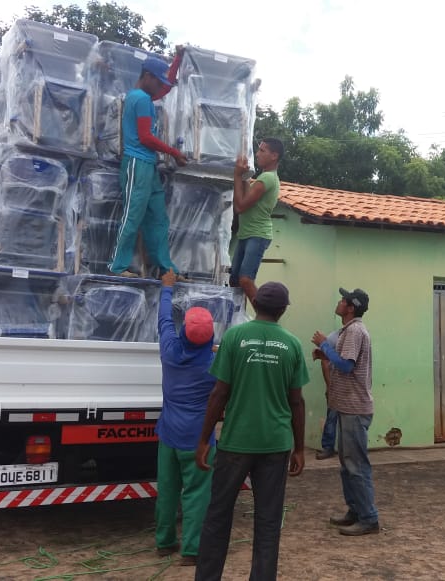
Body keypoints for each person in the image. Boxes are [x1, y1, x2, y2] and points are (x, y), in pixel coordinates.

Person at [194, 282, 308, 581]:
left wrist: (204, 439)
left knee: (218, 515)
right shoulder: (293, 345)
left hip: (236, 443)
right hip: (275, 444)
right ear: (283, 310)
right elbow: (296, 401)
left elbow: (219, 393)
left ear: (255, 304)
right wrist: (299, 448)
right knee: (269, 520)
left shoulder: (235, 337)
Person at [154, 269, 216, 566]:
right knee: (197, 494)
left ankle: (164, 542)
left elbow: (164, 320)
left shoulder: (169, 351)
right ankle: (191, 551)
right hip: (198, 439)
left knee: (167, 490)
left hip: (168, 434)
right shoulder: (214, 365)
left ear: (184, 331)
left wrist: (167, 288)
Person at [109, 51, 188, 278]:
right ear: (147, 76)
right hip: (137, 164)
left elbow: (166, 87)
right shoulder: (142, 99)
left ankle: (166, 269)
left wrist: (177, 60)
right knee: (132, 216)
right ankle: (117, 266)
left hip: (148, 165)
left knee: (158, 218)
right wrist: (174, 152)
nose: (160, 87)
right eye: (158, 81)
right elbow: (145, 137)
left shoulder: (142, 96)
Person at [311, 288, 379, 536]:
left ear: (350, 308)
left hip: (354, 408)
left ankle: (368, 518)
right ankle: (356, 511)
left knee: (356, 465)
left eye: (343, 300)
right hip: (347, 406)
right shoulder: (349, 331)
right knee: (347, 464)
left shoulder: (354, 331)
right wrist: (325, 353)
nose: (339, 302)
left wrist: (324, 345)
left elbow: (346, 365)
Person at [230, 138, 283, 301]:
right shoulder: (264, 178)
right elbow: (247, 197)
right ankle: (239, 314)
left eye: (262, 150)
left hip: (257, 235)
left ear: (274, 156)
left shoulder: (266, 179)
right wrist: (245, 178)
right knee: (234, 281)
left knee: (245, 280)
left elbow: (240, 206)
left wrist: (237, 176)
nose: (257, 154)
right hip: (246, 234)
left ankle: (265, 313)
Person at [313, 329, 340, 460]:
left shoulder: (355, 335)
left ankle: (347, 448)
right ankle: (328, 447)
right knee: (332, 417)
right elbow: (324, 362)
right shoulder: (333, 337)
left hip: (349, 387)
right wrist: (330, 387)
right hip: (336, 385)